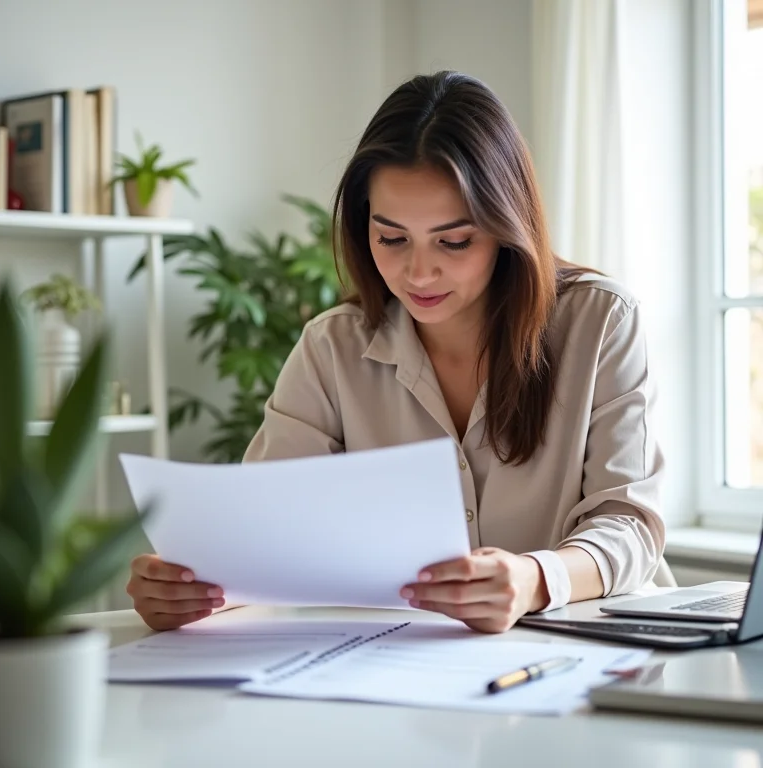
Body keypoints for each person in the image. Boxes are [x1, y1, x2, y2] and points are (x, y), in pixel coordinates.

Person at [127, 71, 665, 634]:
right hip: (404, 669)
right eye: (391, 238)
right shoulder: (332, 348)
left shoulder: (601, 322)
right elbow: (266, 537)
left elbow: (630, 522)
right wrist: (197, 589)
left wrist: (534, 578)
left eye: (454, 241)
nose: (418, 272)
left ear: (507, 227)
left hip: (599, 650)